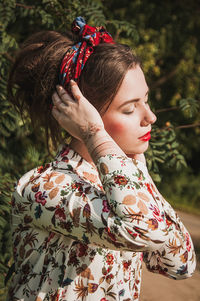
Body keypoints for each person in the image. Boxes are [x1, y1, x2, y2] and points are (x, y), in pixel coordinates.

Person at [7, 16, 196, 301]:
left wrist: (135, 165)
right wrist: (94, 134)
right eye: (130, 108)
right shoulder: (43, 187)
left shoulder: (124, 181)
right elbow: (142, 229)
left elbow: (181, 264)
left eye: (146, 100)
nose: (151, 117)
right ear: (81, 112)